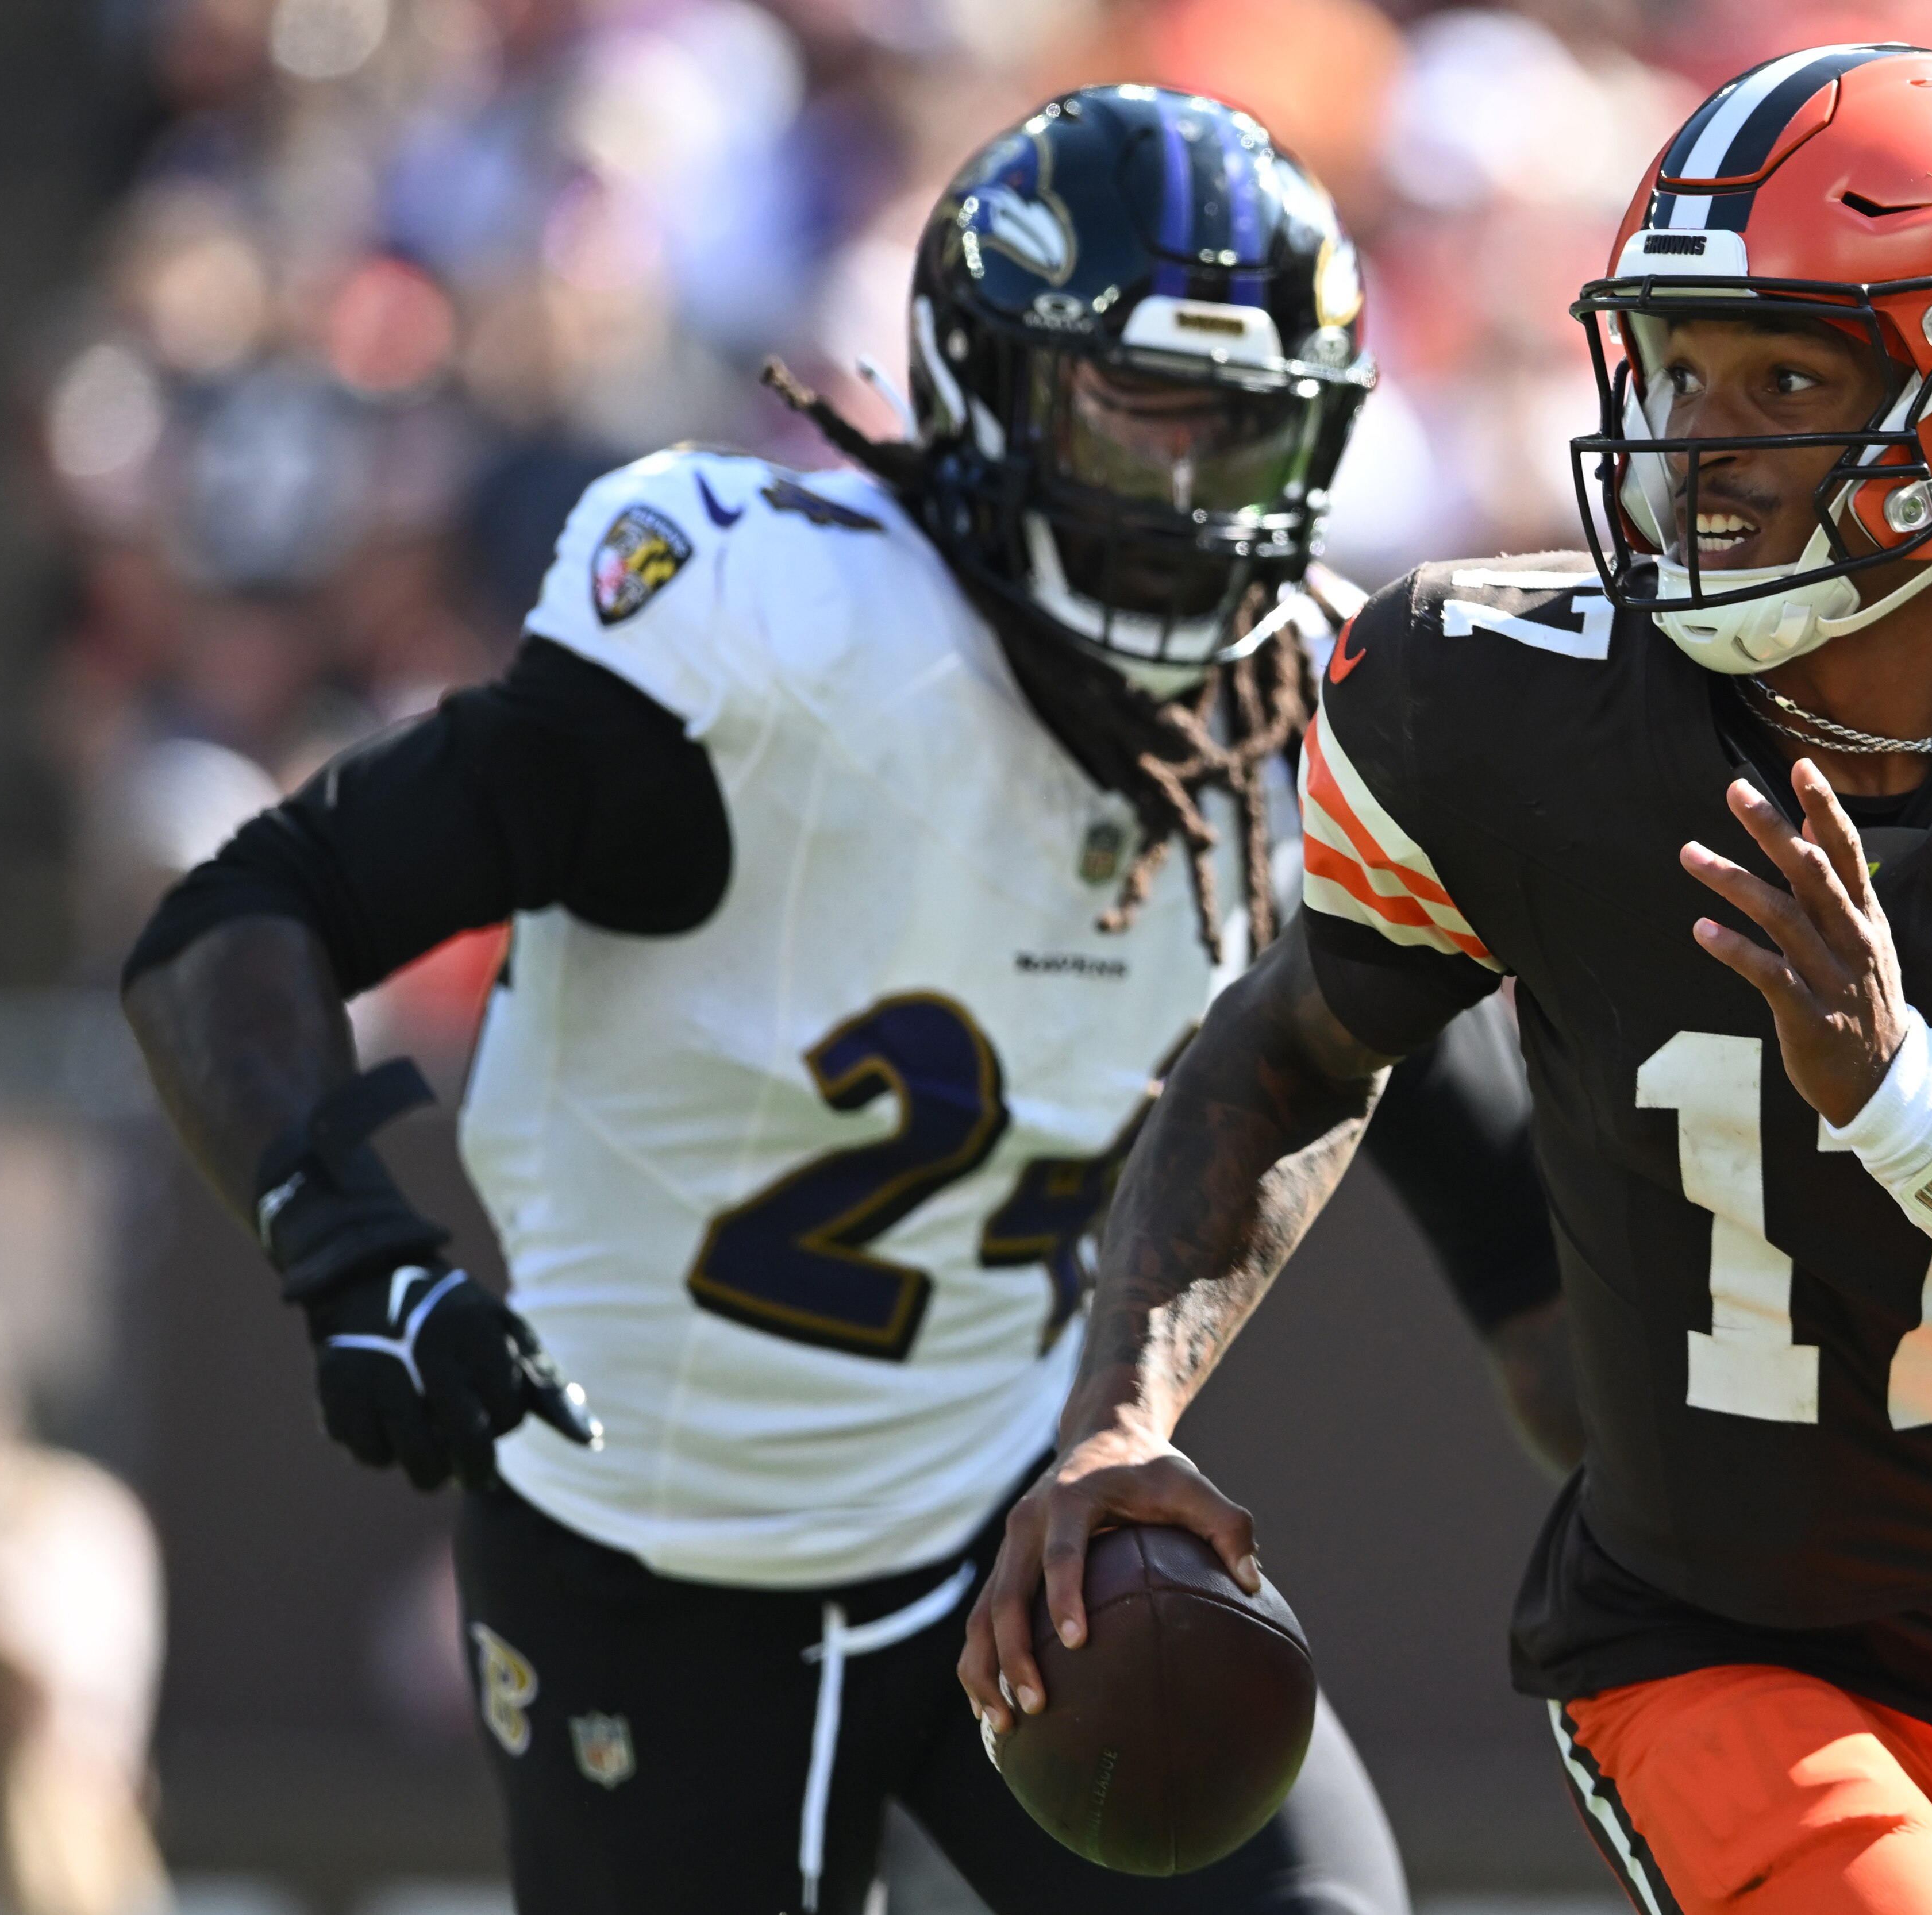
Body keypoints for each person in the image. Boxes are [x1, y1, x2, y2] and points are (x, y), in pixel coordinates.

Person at [964, 45, 1932, 1915]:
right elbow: (1301, 1042)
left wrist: (1907, 1100)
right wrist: (1125, 1411)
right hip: (1720, 1648)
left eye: (1783, 375)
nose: (1696, 441)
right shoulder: (1500, 708)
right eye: (1679, 365)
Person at [118, 87, 1574, 1915]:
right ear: (993, 390)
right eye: (1148, 418)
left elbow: (1505, 1211)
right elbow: (242, 914)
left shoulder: (1298, 723)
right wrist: (345, 1241)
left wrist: (1702, 1533)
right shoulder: (771, 640)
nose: (1197, 502)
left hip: (1007, 1530)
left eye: (1249, 439)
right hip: (641, 1560)